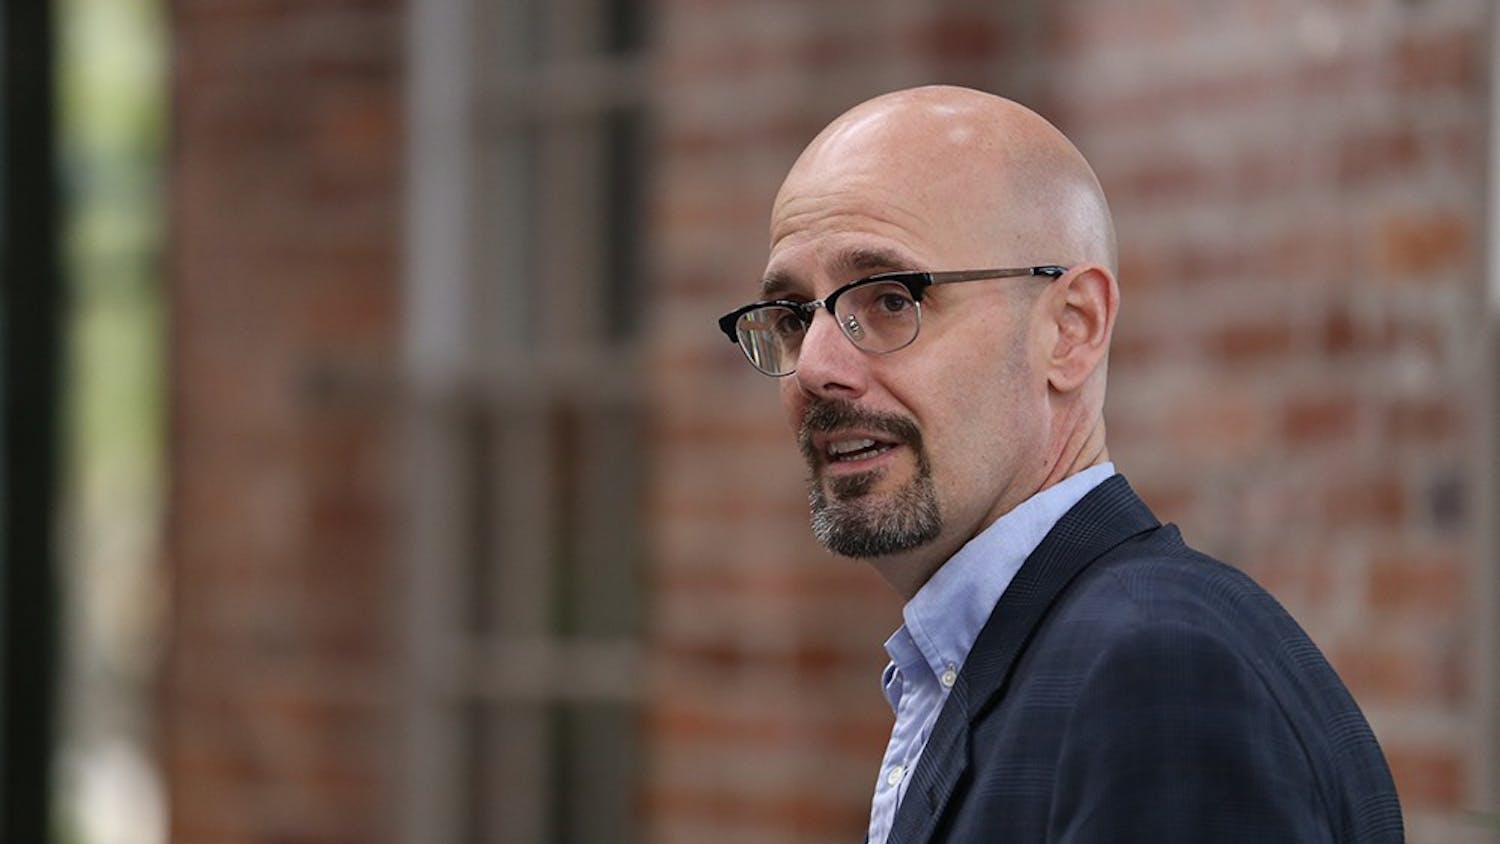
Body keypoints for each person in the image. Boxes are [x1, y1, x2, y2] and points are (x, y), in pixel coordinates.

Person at [716, 86, 1403, 843]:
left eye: (891, 299)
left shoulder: (1156, 673)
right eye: (792, 317)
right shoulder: (1039, 658)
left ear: (1072, 329)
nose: (816, 367)